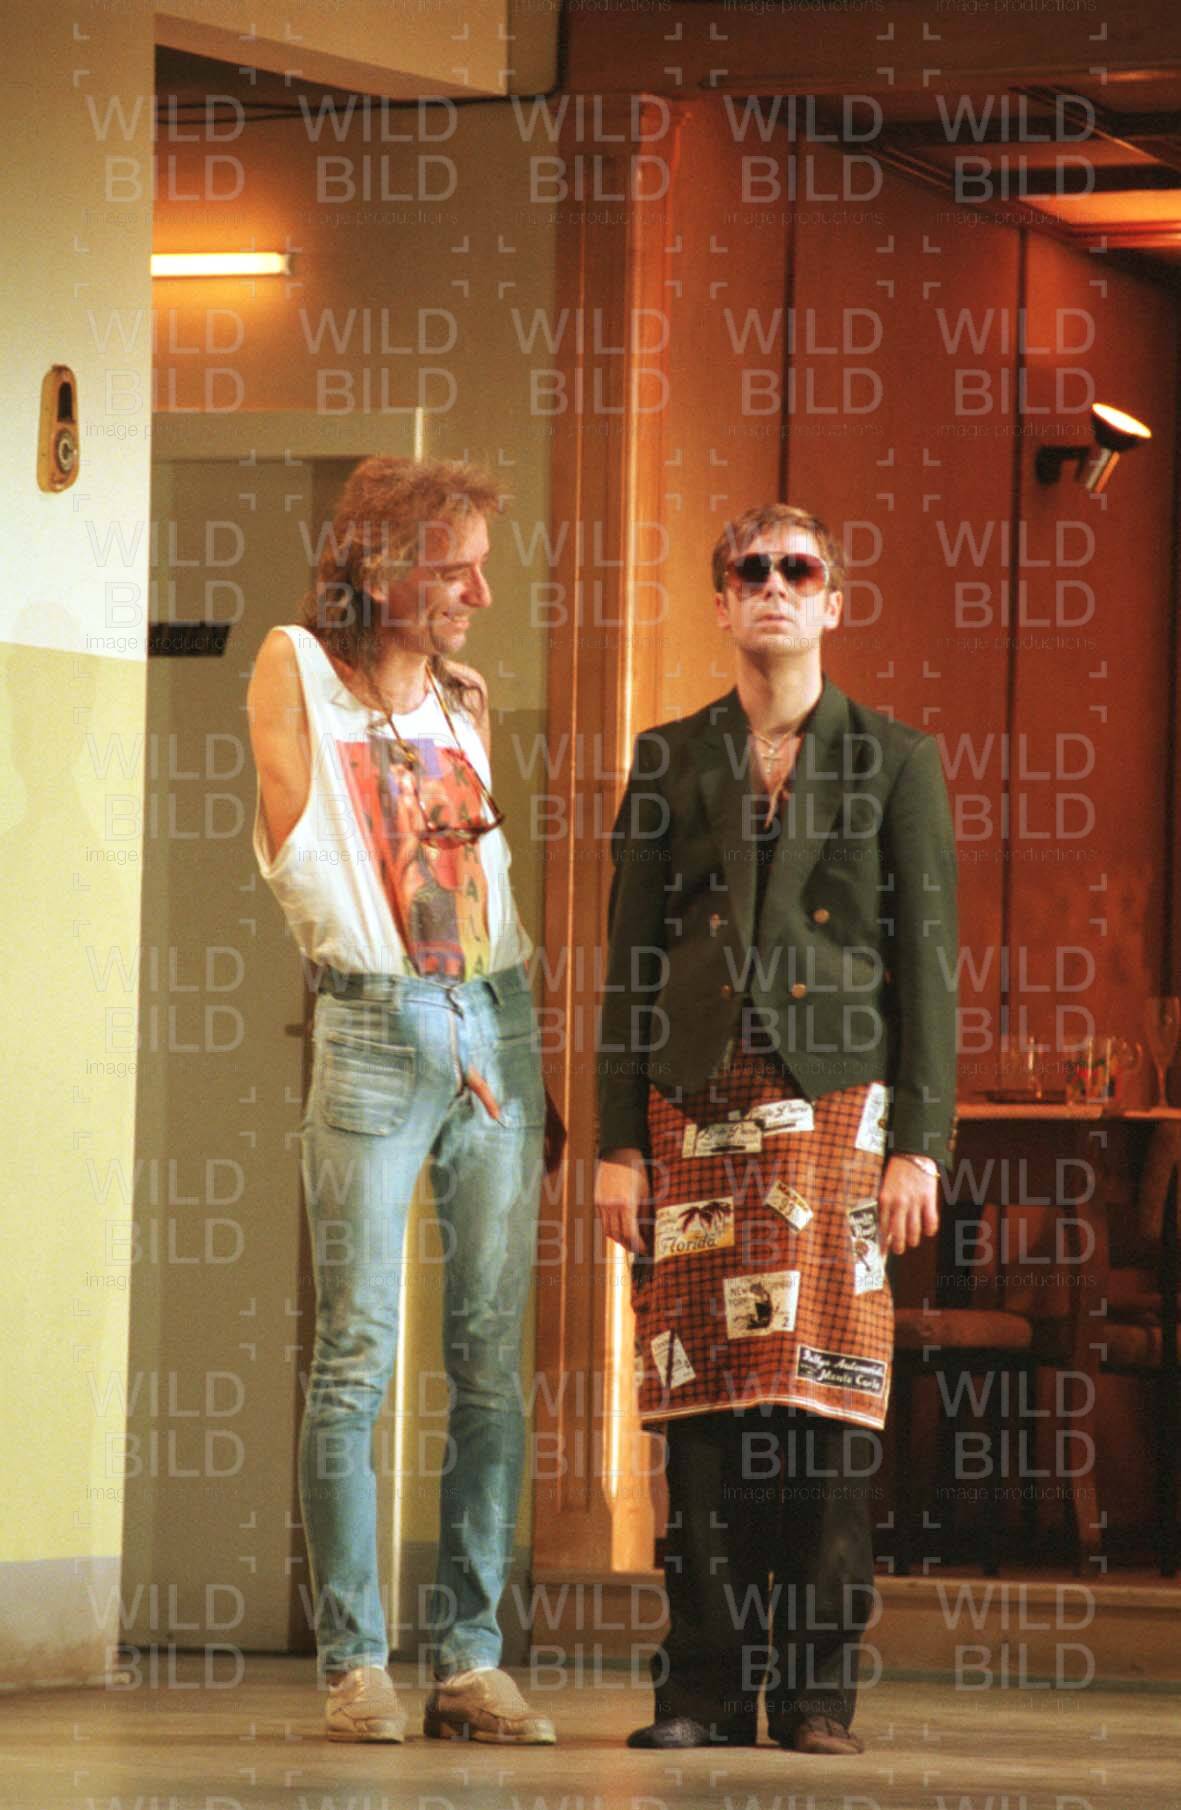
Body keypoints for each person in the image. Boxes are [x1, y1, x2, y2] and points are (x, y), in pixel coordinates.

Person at [594, 503, 958, 1755]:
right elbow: (625, 963)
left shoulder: (894, 759)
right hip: (689, 1106)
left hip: (839, 1110)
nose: (772, 586)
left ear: (830, 600)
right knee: (697, 1407)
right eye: (748, 570)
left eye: (796, 570)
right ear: (719, 602)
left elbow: (928, 964)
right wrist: (616, 1143)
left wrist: (920, 1142)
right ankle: (700, 1687)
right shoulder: (667, 757)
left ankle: (812, 1693)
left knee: (824, 1404)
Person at [247, 455, 559, 1745]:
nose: (480, 593)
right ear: (378, 569)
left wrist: (512, 1049)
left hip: (493, 1014)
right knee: (357, 1350)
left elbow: (473, 892)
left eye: (482, 566)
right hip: (373, 1022)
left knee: (489, 1358)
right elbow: (302, 843)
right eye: (453, 569)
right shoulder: (295, 669)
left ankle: (471, 1661)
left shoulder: (459, 701)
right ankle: (355, 1661)